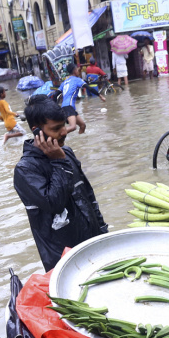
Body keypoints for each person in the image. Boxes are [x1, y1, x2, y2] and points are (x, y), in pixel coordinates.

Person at [12, 95, 108, 272]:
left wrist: (103, 232)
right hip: (62, 261)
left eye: (63, 124)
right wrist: (58, 163)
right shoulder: (25, 170)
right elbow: (53, 203)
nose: (64, 132)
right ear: (36, 131)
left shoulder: (66, 153)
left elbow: (88, 196)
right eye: (56, 128)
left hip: (93, 245)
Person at [59, 63, 87, 135]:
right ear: (74, 71)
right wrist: (100, 95)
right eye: (77, 70)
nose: (78, 71)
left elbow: (56, 94)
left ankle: (81, 141)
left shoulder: (64, 82)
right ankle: (57, 135)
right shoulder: (76, 80)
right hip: (68, 107)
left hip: (65, 107)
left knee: (82, 125)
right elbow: (88, 87)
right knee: (73, 127)